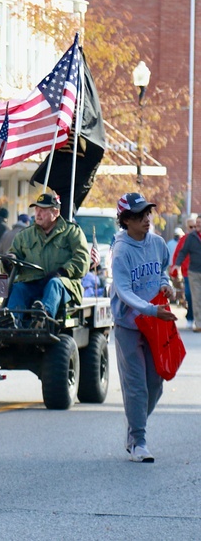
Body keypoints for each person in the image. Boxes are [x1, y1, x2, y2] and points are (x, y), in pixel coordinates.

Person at [109, 192, 177, 463]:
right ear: (126, 221)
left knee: (155, 383)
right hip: (128, 324)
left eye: (147, 213)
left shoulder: (158, 243)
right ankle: (139, 441)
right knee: (136, 385)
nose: (146, 220)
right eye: (139, 216)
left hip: (155, 321)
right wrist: (150, 309)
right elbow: (123, 291)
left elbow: (162, 270)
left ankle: (134, 430)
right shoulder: (121, 250)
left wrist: (165, 285)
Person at [5, 193, 90, 327]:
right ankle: (11, 322)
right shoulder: (25, 235)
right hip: (32, 283)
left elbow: (83, 260)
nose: (38, 214)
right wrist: (9, 261)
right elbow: (13, 256)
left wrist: (61, 272)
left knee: (54, 283)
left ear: (55, 212)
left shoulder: (71, 232)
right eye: (37, 210)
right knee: (18, 288)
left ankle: (43, 318)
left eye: (43, 210)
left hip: (64, 285)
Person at [172, 214, 201, 332]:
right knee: (196, 297)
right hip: (193, 271)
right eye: (197, 223)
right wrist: (177, 265)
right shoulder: (191, 237)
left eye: (199, 224)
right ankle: (199, 323)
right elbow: (183, 252)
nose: (197, 226)